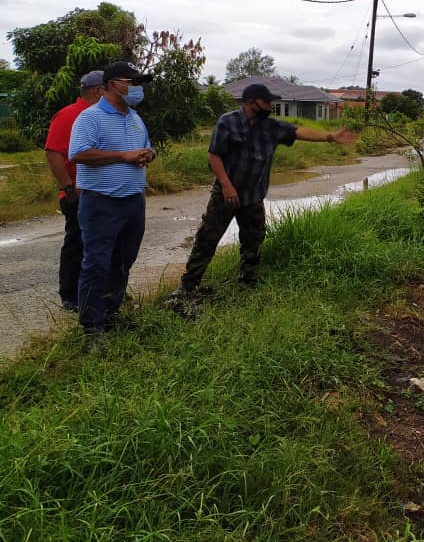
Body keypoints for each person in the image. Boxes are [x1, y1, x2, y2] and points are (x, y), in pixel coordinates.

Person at [167, 83, 356, 313]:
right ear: (250, 103)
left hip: (253, 195)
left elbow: (298, 131)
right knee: (208, 237)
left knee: (254, 238)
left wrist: (330, 137)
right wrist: (226, 185)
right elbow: (214, 155)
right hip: (226, 193)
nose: (270, 105)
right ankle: (188, 286)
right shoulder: (228, 122)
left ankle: (248, 281)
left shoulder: (270, 127)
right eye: (266, 101)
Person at [68, 60, 156, 338]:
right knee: (97, 263)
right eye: (131, 82)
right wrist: (122, 156)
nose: (137, 88)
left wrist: (147, 154)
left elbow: (145, 147)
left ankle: (111, 315)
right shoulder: (90, 117)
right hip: (101, 202)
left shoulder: (134, 117)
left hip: (133, 201)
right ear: (110, 85)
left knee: (122, 261)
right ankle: (92, 329)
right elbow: (79, 153)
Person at [43, 70, 104, 311]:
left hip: (103, 192)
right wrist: (69, 187)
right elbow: (53, 153)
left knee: (103, 244)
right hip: (78, 193)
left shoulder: (102, 116)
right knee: (78, 244)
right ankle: (71, 296)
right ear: (98, 90)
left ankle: (100, 290)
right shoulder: (70, 115)